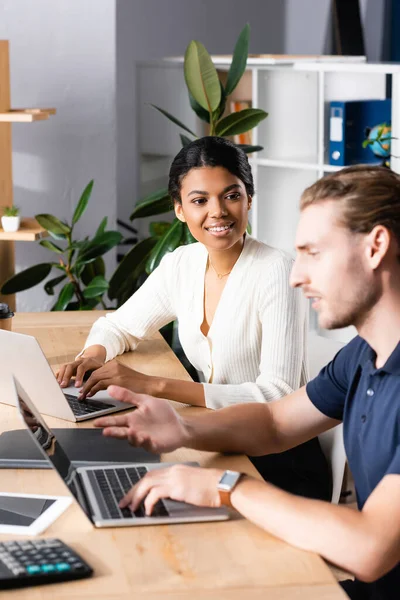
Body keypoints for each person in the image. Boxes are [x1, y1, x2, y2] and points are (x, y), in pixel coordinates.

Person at [93, 165, 400, 599]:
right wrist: (184, 430)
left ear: (376, 247)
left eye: (314, 253)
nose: (296, 275)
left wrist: (226, 486)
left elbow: (371, 548)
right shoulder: (364, 355)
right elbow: (275, 422)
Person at [56, 136, 330, 500]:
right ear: (180, 210)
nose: (217, 212)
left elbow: (276, 395)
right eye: (199, 200)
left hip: (279, 462)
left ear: (249, 198)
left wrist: (153, 385)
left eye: (231, 195)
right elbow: (118, 325)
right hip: (219, 440)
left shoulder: (276, 271)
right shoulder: (182, 264)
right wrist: (90, 357)